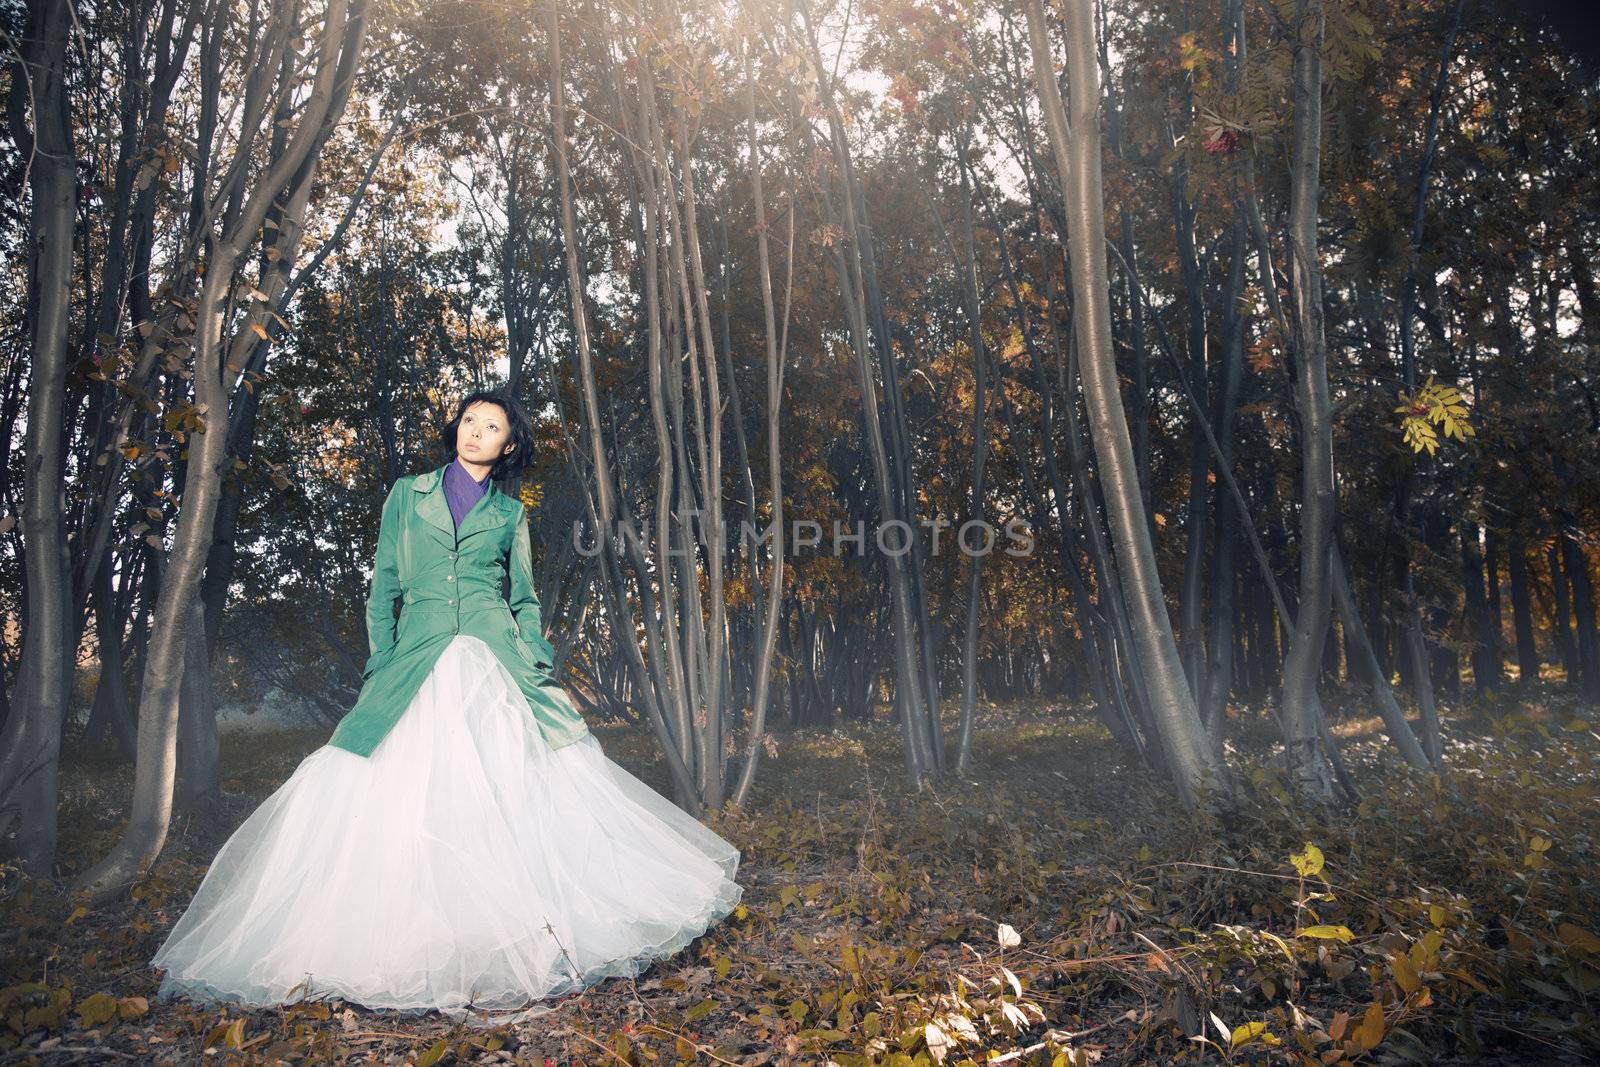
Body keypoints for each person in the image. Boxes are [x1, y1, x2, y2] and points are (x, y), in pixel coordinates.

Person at [150, 389, 742, 1019]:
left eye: (491, 427)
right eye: (468, 420)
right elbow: (383, 583)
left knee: (521, 780)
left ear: (508, 445)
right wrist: (383, 654)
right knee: (388, 777)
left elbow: (524, 596)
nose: (474, 432)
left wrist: (534, 650)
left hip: (497, 655)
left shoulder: (511, 515)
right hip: (418, 650)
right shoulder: (408, 494)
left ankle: (515, 933)